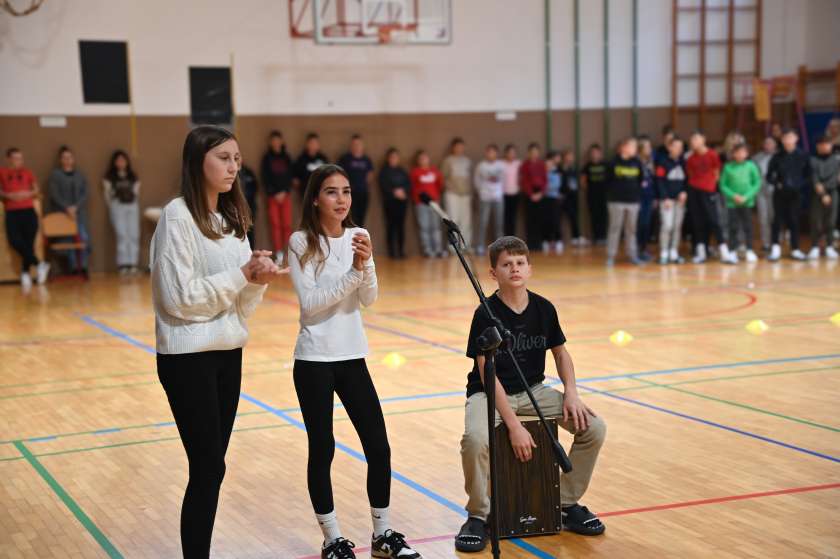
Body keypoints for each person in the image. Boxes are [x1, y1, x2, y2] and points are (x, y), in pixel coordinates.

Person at [151, 125, 284, 558]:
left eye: (237, 159)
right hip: (187, 358)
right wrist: (239, 276)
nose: (234, 167)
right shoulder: (176, 216)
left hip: (228, 354)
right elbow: (177, 300)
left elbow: (239, 309)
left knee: (212, 468)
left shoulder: (233, 222)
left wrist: (256, 281)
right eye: (223, 158)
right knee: (208, 467)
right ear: (197, 162)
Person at [288, 164, 422, 559]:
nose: (342, 199)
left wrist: (365, 267)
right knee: (323, 448)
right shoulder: (301, 242)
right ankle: (333, 539)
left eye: (346, 191)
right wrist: (355, 271)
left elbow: (369, 298)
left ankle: (382, 534)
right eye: (332, 192)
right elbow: (311, 305)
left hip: (352, 358)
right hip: (313, 359)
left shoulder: (359, 236)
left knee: (379, 448)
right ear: (315, 198)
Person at [455, 236, 606, 553]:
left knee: (593, 427)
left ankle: (564, 503)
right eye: (506, 264)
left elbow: (561, 355)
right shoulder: (486, 314)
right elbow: (486, 372)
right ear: (493, 273)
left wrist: (571, 394)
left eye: (520, 262)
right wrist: (513, 425)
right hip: (489, 394)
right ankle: (478, 516)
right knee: (475, 440)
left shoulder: (543, 308)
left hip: (534, 389)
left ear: (529, 268)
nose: (514, 269)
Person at [0, 147, 49, 290]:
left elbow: (36, 189)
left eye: (20, 158)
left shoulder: (27, 172)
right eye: (15, 158)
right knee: (14, 241)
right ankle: (40, 264)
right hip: (12, 212)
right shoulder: (2, 172)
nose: (18, 161)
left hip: (28, 211)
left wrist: (25, 194)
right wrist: (10, 196)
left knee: (28, 243)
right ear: (8, 159)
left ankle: (25, 273)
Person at [767, 128, 811, 261]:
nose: (788, 140)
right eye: (785, 137)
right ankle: (775, 248)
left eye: (791, 137)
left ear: (796, 139)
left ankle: (795, 249)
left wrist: (799, 185)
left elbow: (808, 175)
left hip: (795, 194)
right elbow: (769, 176)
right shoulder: (776, 156)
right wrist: (777, 183)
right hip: (780, 193)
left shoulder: (803, 155)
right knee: (777, 220)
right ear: (782, 140)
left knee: (794, 220)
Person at [685, 131, 729, 264]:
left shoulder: (712, 155)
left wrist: (711, 187)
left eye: (696, 139)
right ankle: (701, 252)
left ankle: (724, 252)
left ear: (703, 139)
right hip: (694, 191)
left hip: (708, 191)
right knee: (698, 222)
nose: (693, 142)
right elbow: (691, 175)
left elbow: (717, 173)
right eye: (692, 140)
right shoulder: (691, 158)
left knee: (714, 220)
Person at [48, 145, 91, 276]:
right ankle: (73, 268)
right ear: (61, 159)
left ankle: (82, 266)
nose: (67, 160)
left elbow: (85, 193)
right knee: (69, 240)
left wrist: (75, 207)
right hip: (63, 214)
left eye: (69, 157)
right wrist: (67, 207)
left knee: (83, 239)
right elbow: (54, 194)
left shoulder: (79, 175)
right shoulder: (56, 175)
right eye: (64, 157)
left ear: (73, 159)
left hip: (78, 214)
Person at [719, 143, 761, 264]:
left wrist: (746, 196)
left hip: (747, 202)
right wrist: (733, 196)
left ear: (747, 153)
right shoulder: (728, 167)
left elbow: (756, 182)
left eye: (743, 152)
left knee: (748, 227)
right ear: (733, 154)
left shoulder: (751, 166)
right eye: (737, 152)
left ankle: (749, 250)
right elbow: (723, 185)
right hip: (732, 203)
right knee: (733, 227)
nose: (740, 154)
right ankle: (732, 250)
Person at [605, 137, 643, 266]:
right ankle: (611, 256)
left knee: (631, 230)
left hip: (633, 201)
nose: (635, 149)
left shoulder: (637, 162)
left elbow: (640, 179)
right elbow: (607, 180)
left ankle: (632, 255)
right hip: (616, 201)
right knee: (615, 228)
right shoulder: (613, 163)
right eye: (632, 146)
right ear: (624, 147)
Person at [103, 150, 141, 274]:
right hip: (117, 206)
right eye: (118, 160)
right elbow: (108, 195)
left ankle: (133, 264)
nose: (121, 163)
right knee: (122, 234)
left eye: (123, 160)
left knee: (133, 234)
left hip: (131, 205)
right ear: (114, 163)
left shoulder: (133, 177)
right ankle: (123, 264)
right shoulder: (109, 178)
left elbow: (136, 193)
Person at [261, 130, 294, 261]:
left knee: (287, 224)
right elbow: (264, 177)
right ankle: (279, 253)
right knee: (275, 225)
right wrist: (274, 193)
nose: (275, 143)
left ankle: (288, 251)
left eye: (277, 140)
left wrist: (285, 191)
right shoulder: (266, 158)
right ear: (270, 142)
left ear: (281, 141)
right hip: (272, 197)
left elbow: (290, 176)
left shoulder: (286, 157)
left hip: (285, 195)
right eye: (273, 140)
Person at [655, 136, 688, 264]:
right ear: (669, 147)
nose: (679, 149)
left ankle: (674, 251)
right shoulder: (662, 162)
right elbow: (659, 180)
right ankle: (664, 252)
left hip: (680, 200)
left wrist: (684, 192)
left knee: (677, 226)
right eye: (676, 146)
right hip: (667, 201)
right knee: (667, 225)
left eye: (681, 147)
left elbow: (687, 179)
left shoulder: (683, 162)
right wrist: (665, 197)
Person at [808, 135, 840, 260]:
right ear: (817, 146)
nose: (825, 146)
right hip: (818, 193)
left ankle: (830, 246)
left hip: (833, 192)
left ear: (831, 145)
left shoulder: (836, 160)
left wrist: (830, 192)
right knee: (816, 221)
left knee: (831, 221)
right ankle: (815, 246)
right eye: (822, 144)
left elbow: (835, 178)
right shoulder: (813, 160)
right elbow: (814, 178)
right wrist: (823, 194)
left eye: (827, 144)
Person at [410, 150, 445, 258]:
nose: (423, 160)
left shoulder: (434, 171)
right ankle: (428, 250)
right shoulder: (415, 172)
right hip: (421, 204)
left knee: (436, 227)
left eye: (425, 158)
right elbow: (412, 187)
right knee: (424, 227)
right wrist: (417, 199)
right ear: (418, 161)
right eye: (421, 159)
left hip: (434, 203)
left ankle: (438, 249)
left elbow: (440, 185)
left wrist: (435, 197)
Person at [378, 148, 411, 259]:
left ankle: (401, 251)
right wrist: (394, 193)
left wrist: (403, 192)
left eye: (396, 157)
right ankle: (392, 252)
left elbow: (408, 184)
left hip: (402, 202)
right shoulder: (384, 171)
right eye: (392, 157)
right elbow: (383, 185)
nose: (394, 159)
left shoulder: (402, 171)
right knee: (391, 226)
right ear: (388, 158)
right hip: (390, 202)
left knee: (401, 227)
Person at [441, 138, 473, 251]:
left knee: (465, 221)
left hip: (465, 195)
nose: (459, 149)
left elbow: (469, 178)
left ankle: (465, 245)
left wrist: (468, 191)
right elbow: (443, 177)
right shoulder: (448, 160)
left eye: (461, 146)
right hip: (452, 194)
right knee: (453, 220)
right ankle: (453, 248)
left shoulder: (467, 161)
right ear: (453, 147)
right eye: (457, 146)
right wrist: (451, 188)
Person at [473, 144, 505, 256]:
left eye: (493, 152)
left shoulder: (501, 165)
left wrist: (500, 192)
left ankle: (500, 248)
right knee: (483, 222)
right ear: (486, 153)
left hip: (498, 197)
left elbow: (504, 180)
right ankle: (480, 246)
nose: (491, 154)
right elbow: (476, 181)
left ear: (496, 153)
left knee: (498, 223)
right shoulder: (481, 166)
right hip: (485, 197)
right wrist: (481, 191)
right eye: (489, 152)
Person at [338, 134, 374, 227]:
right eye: (354, 144)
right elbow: (339, 174)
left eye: (358, 144)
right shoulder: (345, 159)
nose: (356, 146)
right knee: (349, 218)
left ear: (362, 146)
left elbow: (370, 176)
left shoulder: (366, 160)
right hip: (349, 193)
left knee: (360, 219)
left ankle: (358, 240)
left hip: (363, 192)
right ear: (351, 145)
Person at [519, 143, 548, 251]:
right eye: (532, 152)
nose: (534, 154)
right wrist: (531, 194)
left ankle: (539, 243)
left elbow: (545, 180)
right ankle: (531, 244)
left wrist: (540, 193)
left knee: (539, 219)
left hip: (540, 194)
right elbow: (524, 181)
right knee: (530, 220)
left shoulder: (541, 165)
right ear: (529, 153)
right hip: (529, 195)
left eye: (536, 152)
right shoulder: (525, 165)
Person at [752, 136, 777, 253]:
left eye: (770, 143)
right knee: (763, 217)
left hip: (774, 190)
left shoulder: (778, 156)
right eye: (766, 143)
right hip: (760, 190)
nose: (768, 145)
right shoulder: (756, 158)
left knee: (773, 217)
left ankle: (775, 241)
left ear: (775, 145)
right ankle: (766, 242)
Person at [581, 144, 609, 245]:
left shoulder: (605, 165)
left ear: (600, 154)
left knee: (603, 215)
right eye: (592, 153)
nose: (594, 154)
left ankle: (603, 237)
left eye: (596, 152)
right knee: (594, 216)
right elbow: (583, 181)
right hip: (592, 195)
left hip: (604, 195)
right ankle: (596, 237)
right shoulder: (587, 166)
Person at [636, 137, 657, 262]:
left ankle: (644, 249)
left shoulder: (650, 162)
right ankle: (637, 250)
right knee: (640, 223)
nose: (650, 149)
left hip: (649, 196)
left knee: (647, 223)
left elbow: (653, 180)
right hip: (639, 197)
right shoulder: (636, 162)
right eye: (647, 147)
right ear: (641, 149)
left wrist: (654, 197)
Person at [560, 149, 584, 247]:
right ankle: (558, 239)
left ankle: (576, 237)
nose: (570, 158)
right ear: (564, 158)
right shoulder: (560, 169)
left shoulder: (574, 169)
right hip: (563, 196)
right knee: (559, 218)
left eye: (571, 156)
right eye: (568, 156)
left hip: (573, 195)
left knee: (574, 216)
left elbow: (577, 182)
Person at [543, 150, 563, 254]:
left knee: (556, 220)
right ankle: (547, 240)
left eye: (550, 164)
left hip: (554, 199)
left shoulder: (556, 172)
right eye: (547, 164)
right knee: (546, 220)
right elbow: (542, 185)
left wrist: (546, 187)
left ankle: (558, 240)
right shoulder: (543, 173)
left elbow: (556, 185)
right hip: (545, 199)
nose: (548, 166)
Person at [501, 144, 521, 236]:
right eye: (509, 153)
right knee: (504, 217)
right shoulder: (501, 164)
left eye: (513, 153)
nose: (511, 155)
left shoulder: (518, 164)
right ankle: (505, 238)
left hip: (515, 194)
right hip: (503, 194)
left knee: (513, 217)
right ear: (506, 153)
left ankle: (512, 238)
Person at [238, 163, 259, 248]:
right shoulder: (233, 173)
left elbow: (255, 186)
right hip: (237, 208)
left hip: (249, 206)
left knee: (250, 230)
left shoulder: (248, 171)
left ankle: (252, 251)